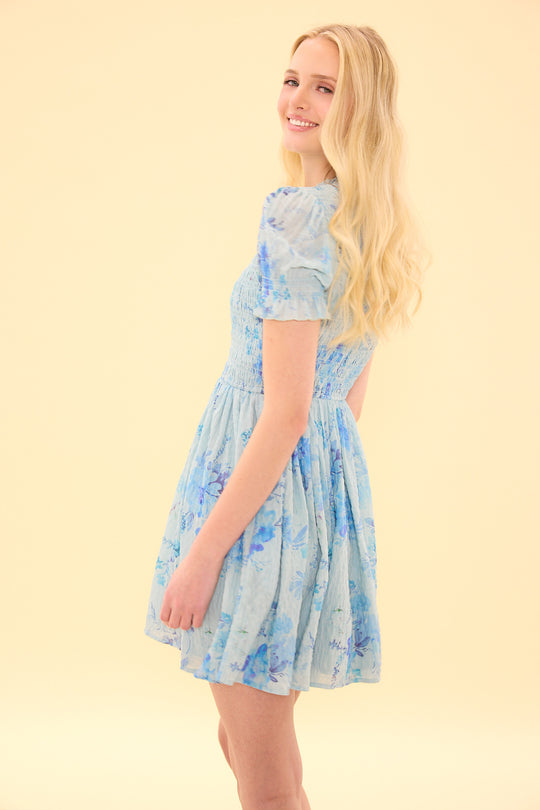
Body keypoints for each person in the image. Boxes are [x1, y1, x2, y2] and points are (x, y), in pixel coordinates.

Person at [144, 22, 429, 810]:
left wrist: (205, 554)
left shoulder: (298, 220)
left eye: (325, 87)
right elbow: (345, 400)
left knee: (266, 778)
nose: (298, 99)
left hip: (257, 516)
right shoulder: (363, 223)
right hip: (304, 505)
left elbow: (292, 409)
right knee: (249, 744)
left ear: (358, 110)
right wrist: (313, 507)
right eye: (293, 78)